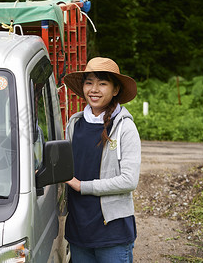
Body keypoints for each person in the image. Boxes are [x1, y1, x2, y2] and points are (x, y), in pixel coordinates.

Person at [63, 57, 141, 263]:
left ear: (115, 89)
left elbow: (129, 180)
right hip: (79, 229)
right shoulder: (74, 124)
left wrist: (82, 186)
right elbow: (63, 168)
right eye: (89, 82)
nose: (94, 89)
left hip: (112, 232)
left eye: (102, 83)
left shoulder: (125, 127)